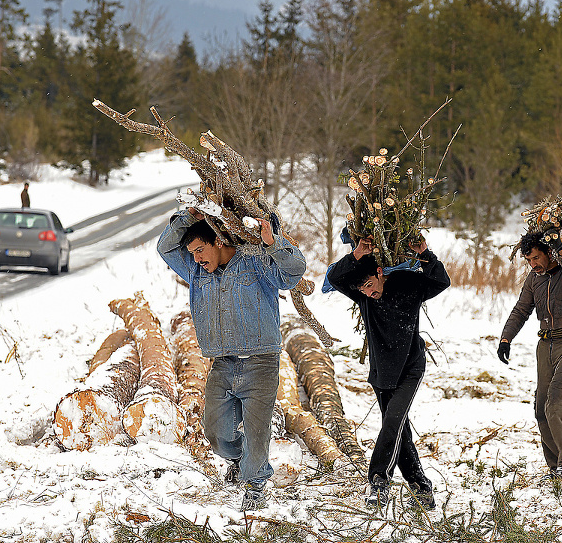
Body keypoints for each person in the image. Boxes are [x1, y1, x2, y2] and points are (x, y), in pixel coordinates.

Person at [157, 207, 306, 511]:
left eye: (200, 249)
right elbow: (164, 246)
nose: (196, 257)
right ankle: (237, 459)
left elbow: (293, 273)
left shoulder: (255, 261)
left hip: (261, 361)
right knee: (215, 430)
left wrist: (272, 242)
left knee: (256, 430)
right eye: (192, 252)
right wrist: (190, 218)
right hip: (223, 363)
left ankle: (254, 485)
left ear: (220, 242)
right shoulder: (195, 270)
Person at [327, 235, 450, 510]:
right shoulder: (365, 297)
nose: (369, 293)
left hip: (410, 367)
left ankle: (379, 480)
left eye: (371, 285)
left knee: (393, 421)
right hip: (382, 372)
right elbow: (335, 278)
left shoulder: (408, 283)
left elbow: (442, 281)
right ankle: (420, 485)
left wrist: (425, 253)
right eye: (364, 291)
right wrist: (356, 254)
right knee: (398, 429)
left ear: (380, 273)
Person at [497, 230, 562, 478]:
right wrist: (506, 338)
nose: (533, 264)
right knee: (541, 406)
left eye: (536, 258)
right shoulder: (534, 278)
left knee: (556, 399)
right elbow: (521, 309)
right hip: (546, 346)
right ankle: (556, 464)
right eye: (528, 260)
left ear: (549, 252)